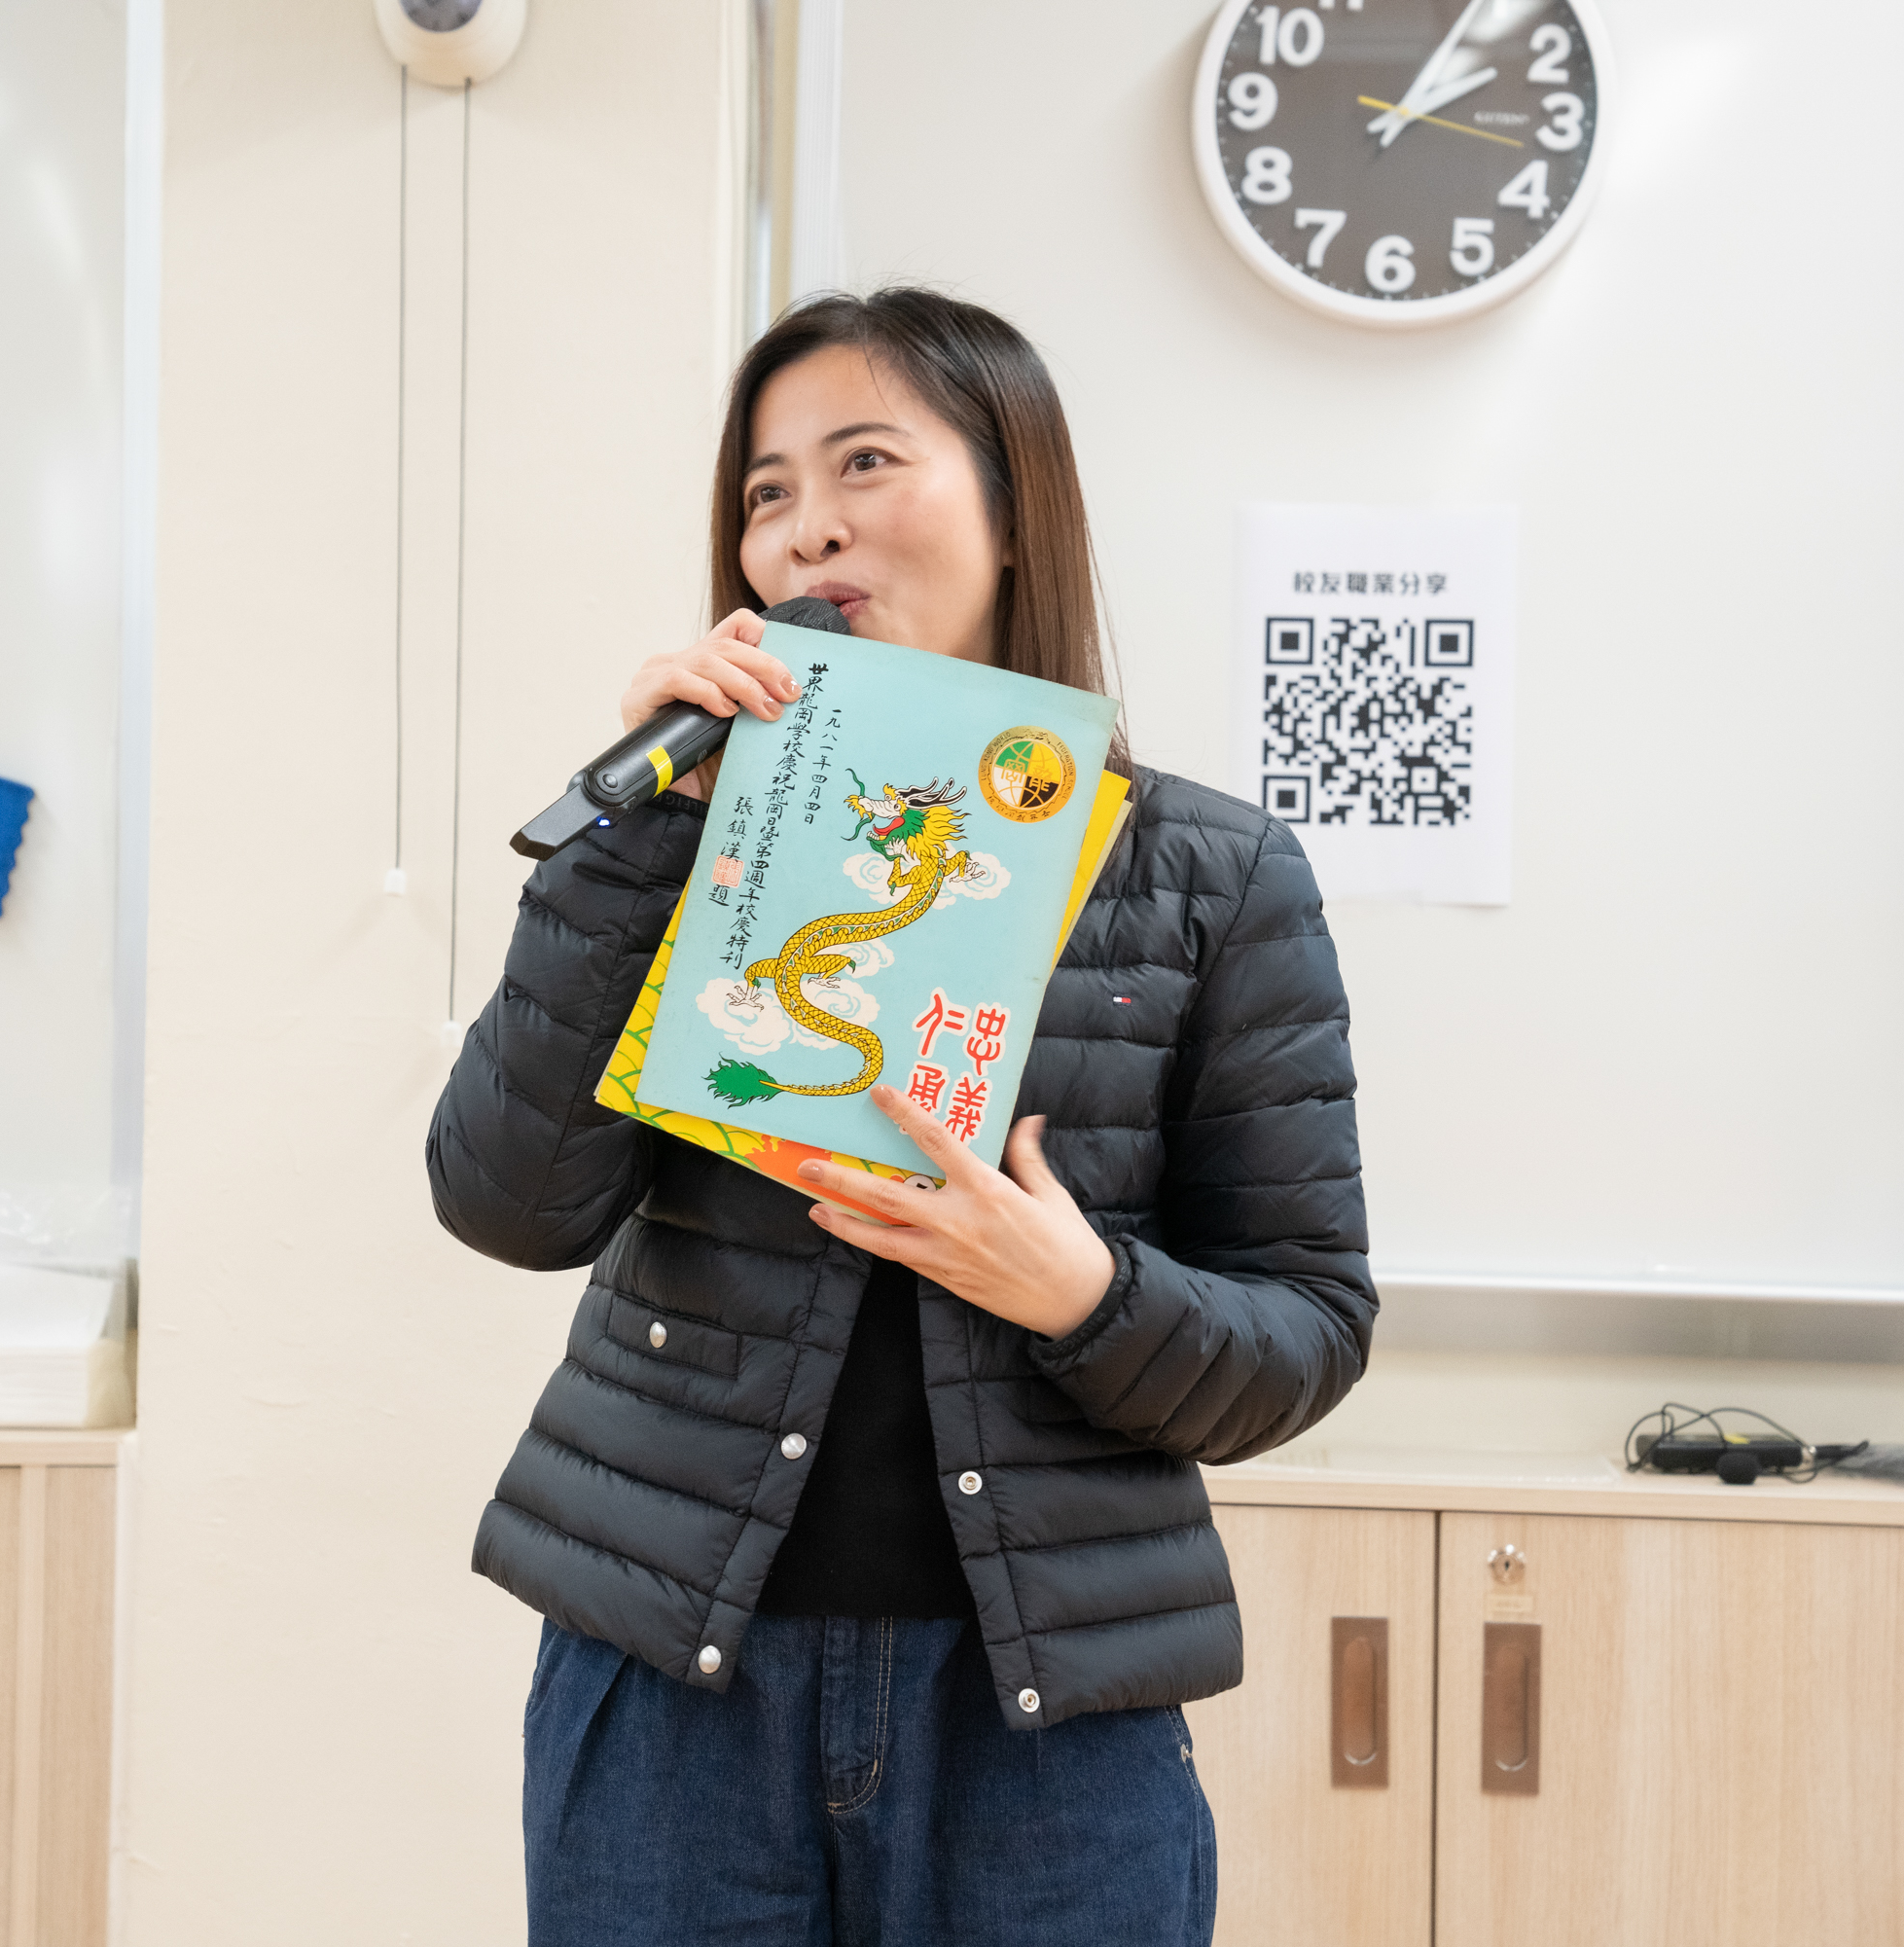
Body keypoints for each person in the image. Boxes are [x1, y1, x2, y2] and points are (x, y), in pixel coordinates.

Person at [428, 287, 1373, 1947]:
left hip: (1043, 1724)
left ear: (1014, 508)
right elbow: (506, 1200)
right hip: (670, 1698)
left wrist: (1083, 1293)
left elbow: (1307, 1324)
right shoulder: (686, 832)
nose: (806, 527)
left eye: (865, 461)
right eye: (768, 491)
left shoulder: (1212, 875)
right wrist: (643, 835)